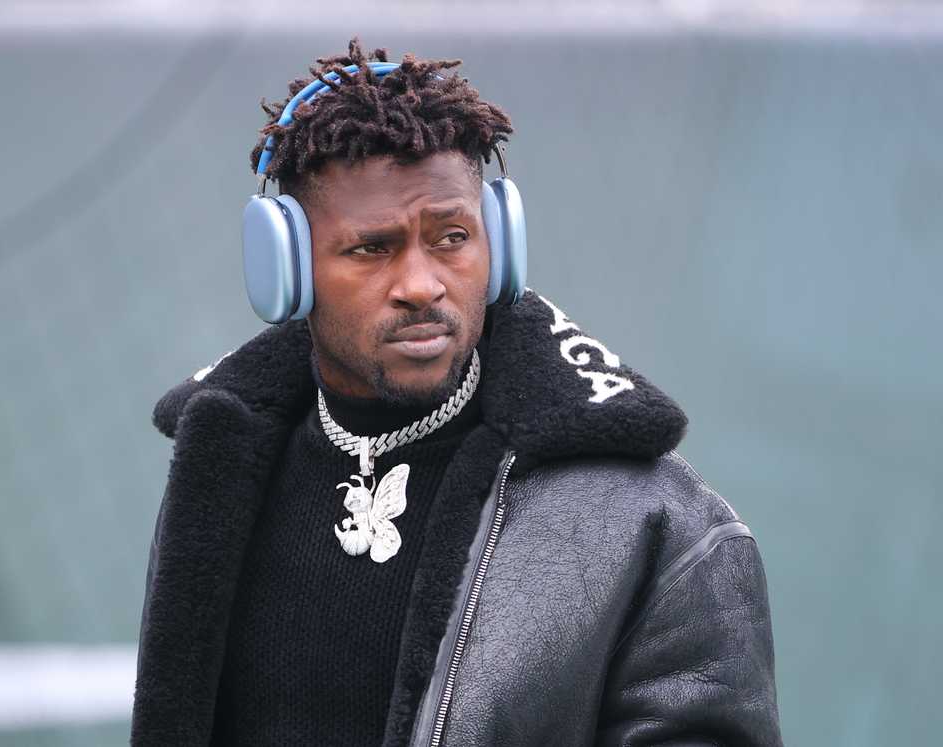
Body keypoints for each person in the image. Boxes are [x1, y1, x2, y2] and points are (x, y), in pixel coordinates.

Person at [131, 39, 782, 746]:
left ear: (497, 244)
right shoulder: (217, 479)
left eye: (450, 237)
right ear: (285, 268)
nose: (420, 284)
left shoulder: (649, 524)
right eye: (371, 247)